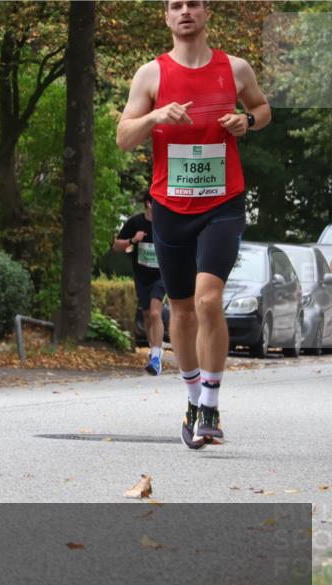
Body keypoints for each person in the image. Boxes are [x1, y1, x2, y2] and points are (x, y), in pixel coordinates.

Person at [117, 0, 270, 448]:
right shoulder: (151, 75)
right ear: (167, 17)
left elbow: (262, 110)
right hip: (169, 205)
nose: (185, 11)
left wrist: (246, 121)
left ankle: (211, 406)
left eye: (194, 4)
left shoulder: (235, 68)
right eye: (175, 5)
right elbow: (124, 137)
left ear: (206, 14)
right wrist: (155, 116)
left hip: (222, 201)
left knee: (209, 299)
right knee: (180, 309)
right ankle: (190, 399)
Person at [112, 191, 166, 375]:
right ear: (148, 204)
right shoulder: (135, 222)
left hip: (161, 276)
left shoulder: (164, 224)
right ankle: (154, 352)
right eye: (157, 202)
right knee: (146, 317)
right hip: (142, 277)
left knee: (155, 312)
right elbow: (117, 246)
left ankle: (157, 357)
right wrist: (133, 240)